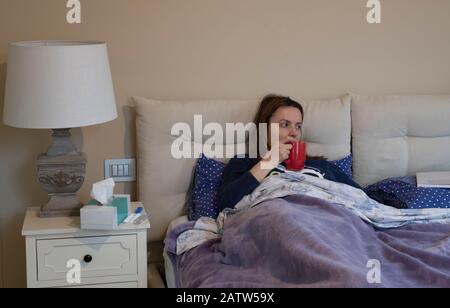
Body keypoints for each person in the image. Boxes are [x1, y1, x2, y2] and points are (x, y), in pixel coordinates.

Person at [217, 94, 362, 211]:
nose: (294, 133)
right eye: (284, 125)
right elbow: (225, 204)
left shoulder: (321, 166)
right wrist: (269, 162)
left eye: (298, 126)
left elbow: (364, 200)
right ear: (264, 128)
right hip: (273, 219)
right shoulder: (245, 162)